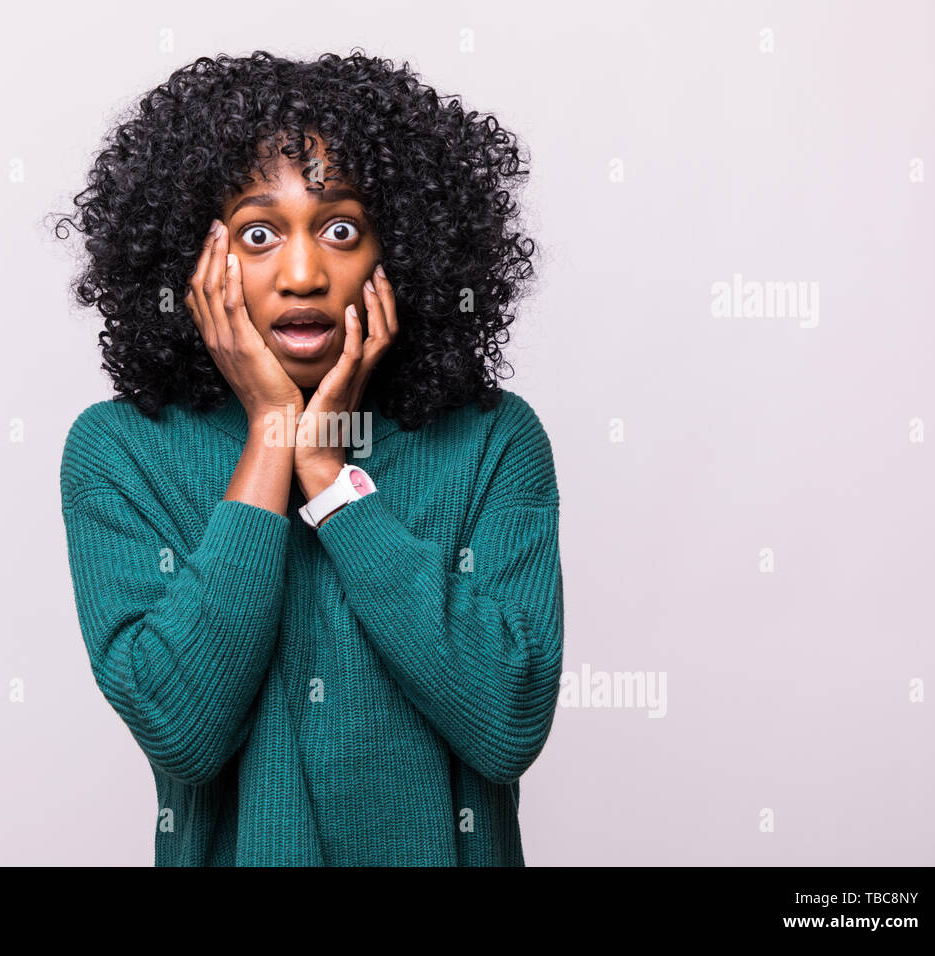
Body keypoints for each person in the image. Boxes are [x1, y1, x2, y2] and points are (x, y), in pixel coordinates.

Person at [54, 49, 563, 866]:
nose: (302, 273)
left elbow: (505, 725)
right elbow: (184, 731)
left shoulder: (493, 442)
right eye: (258, 234)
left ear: (396, 252)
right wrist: (272, 438)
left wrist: (328, 478)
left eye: (339, 229)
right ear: (193, 265)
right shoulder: (121, 452)